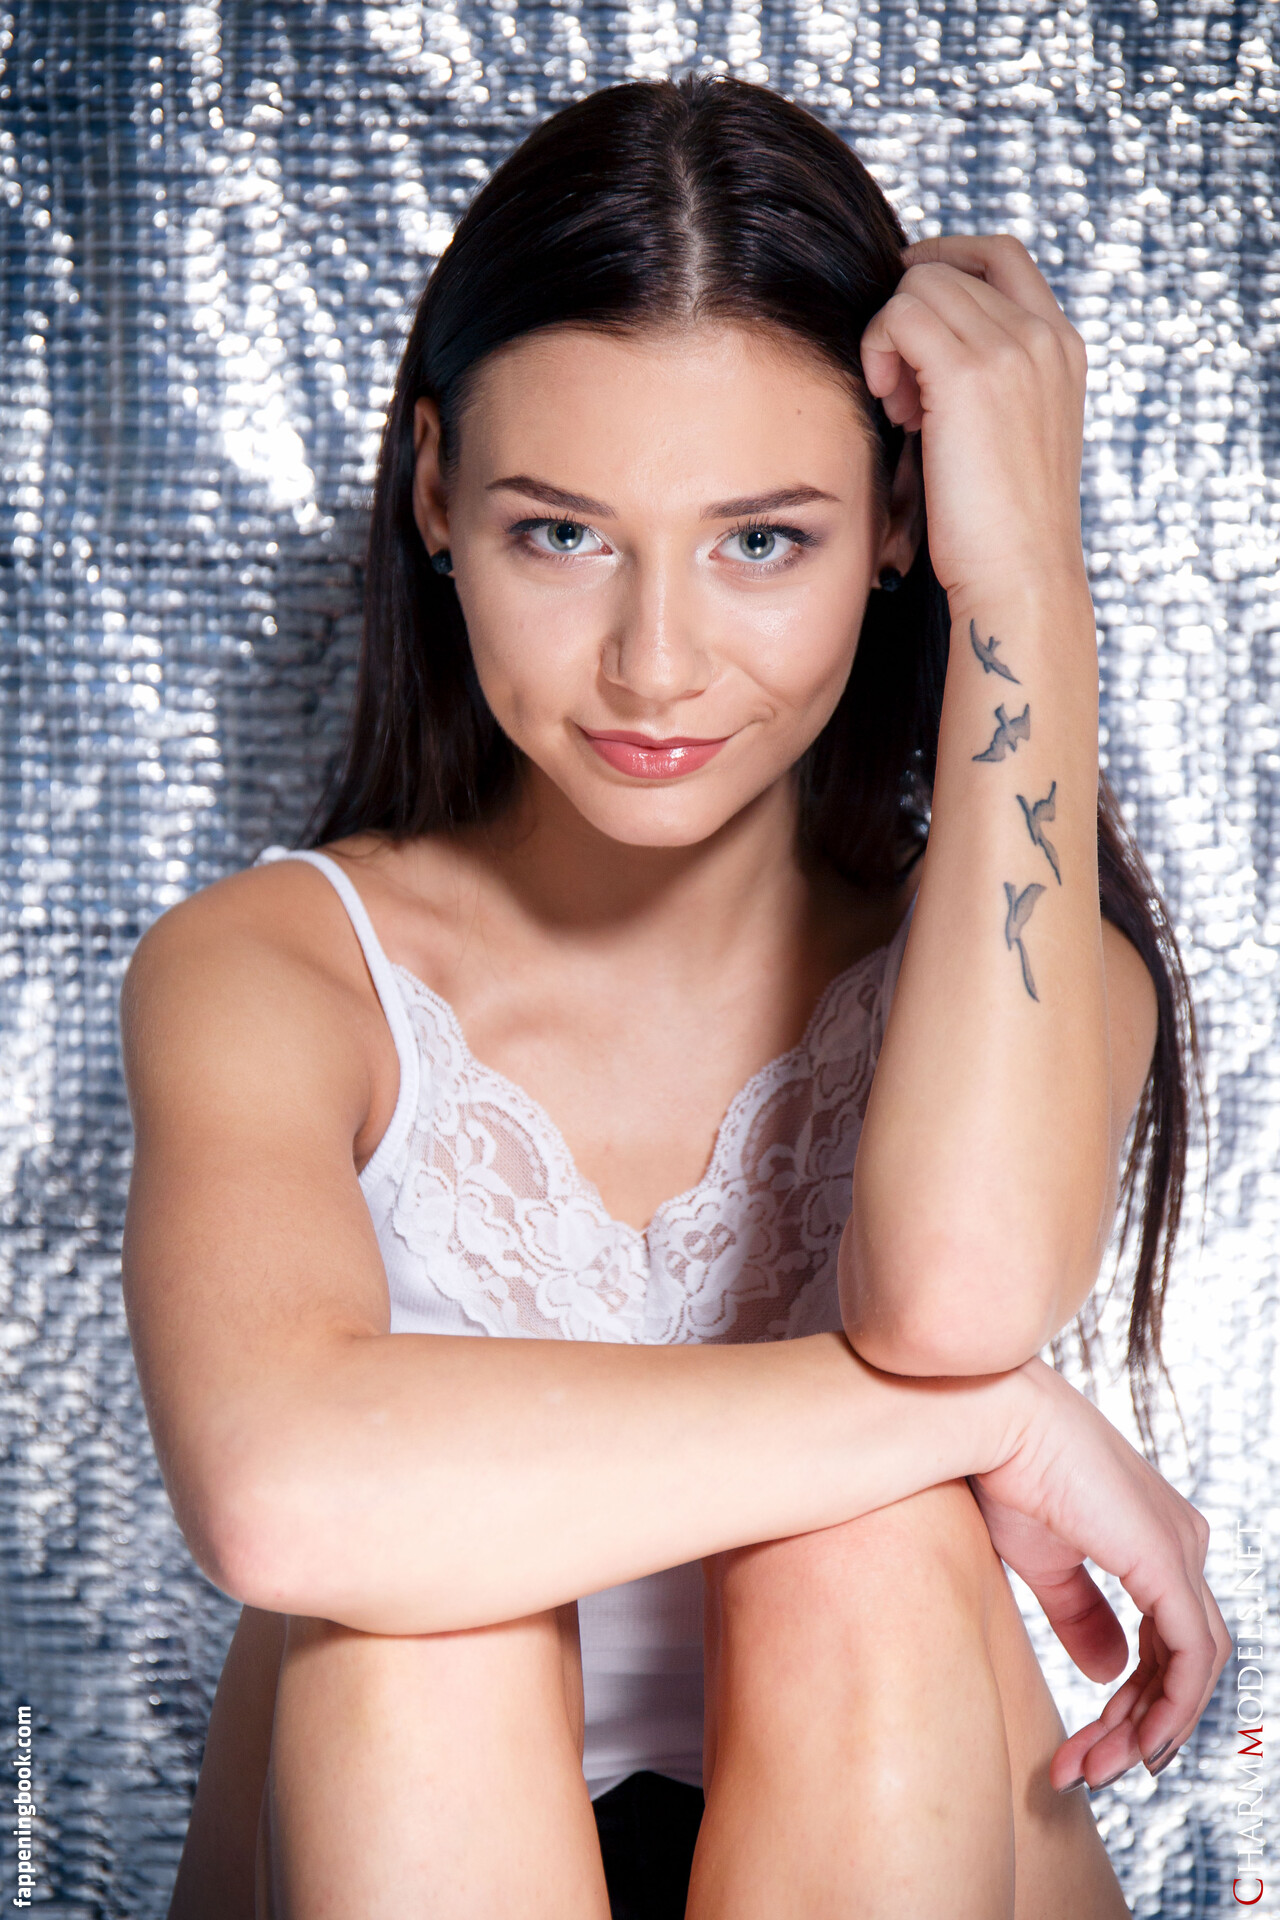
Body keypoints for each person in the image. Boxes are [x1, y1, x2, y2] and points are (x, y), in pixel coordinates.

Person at [120, 74, 1229, 1920]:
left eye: (761, 541)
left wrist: (1029, 581)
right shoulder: (275, 969)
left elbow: (953, 1297)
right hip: (397, 1843)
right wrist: (987, 1424)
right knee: (415, 1628)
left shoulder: (1014, 977)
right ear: (437, 493)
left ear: (895, 525)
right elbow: (276, 1493)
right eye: (563, 534)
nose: (654, 663)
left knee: (866, 1558)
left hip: (902, 1829)